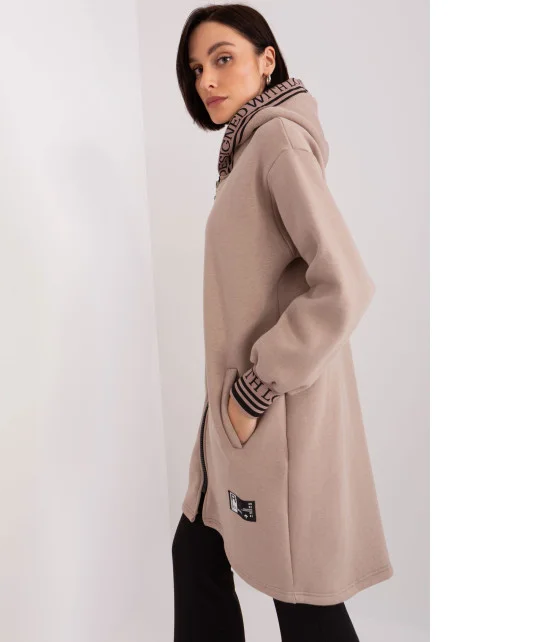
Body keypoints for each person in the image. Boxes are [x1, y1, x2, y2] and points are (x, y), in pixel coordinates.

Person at [172, 4, 394, 642]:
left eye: (223, 59)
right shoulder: (247, 152)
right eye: (196, 69)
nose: (207, 81)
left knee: (302, 599)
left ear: (266, 60)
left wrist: (253, 390)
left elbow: (344, 283)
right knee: (199, 551)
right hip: (234, 416)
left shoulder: (277, 143)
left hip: (271, 413)